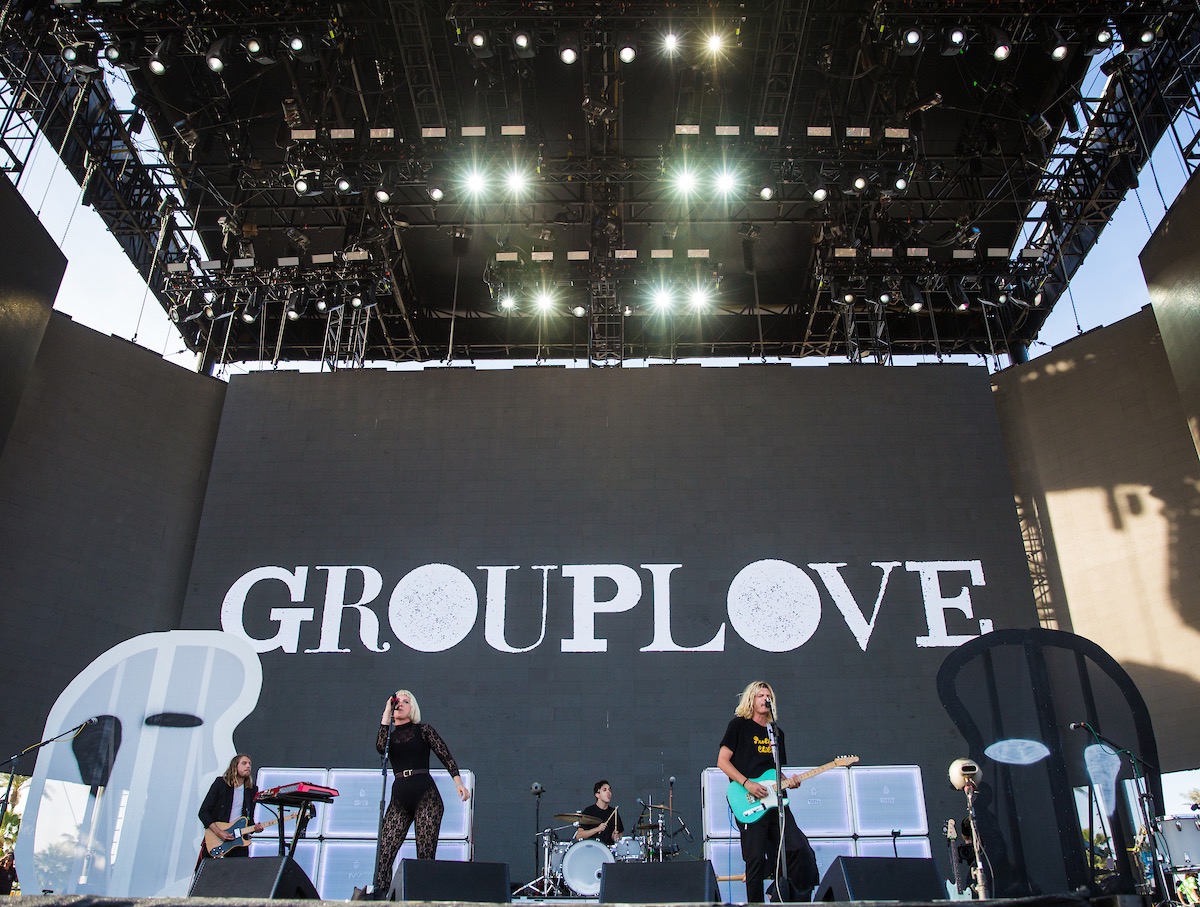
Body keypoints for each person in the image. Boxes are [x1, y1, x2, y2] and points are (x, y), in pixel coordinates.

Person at [717, 681, 819, 903]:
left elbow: (775, 771)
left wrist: (789, 781)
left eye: (768, 695)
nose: (765, 699)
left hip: (776, 801)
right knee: (755, 858)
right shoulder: (738, 726)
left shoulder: (776, 733)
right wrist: (747, 783)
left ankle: (784, 897)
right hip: (749, 799)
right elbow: (722, 761)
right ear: (751, 700)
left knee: (797, 848)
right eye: (760, 695)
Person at [373, 689, 470, 895]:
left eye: (405, 701)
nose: (400, 704)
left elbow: (445, 755)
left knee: (425, 856)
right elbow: (380, 747)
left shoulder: (423, 730)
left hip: (426, 796)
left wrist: (458, 782)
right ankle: (380, 899)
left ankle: (424, 899)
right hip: (400, 796)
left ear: (413, 708)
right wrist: (386, 712)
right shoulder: (390, 738)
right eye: (397, 701)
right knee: (384, 855)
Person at [197, 754, 263, 861]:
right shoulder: (221, 783)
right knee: (210, 870)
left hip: (239, 841)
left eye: (249, 764)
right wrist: (219, 832)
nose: (248, 766)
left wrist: (255, 828)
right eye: (244, 763)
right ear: (235, 766)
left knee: (238, 870)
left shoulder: (252, 790)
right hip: (217, 838)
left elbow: (249, 818)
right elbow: (204, 812)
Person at [574, 780, 624, 847]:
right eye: (604, 790)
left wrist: (617, 836)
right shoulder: (589, 811)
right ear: (597, 795)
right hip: (592, 849)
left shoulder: (614, 812)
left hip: (608, 850)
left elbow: (620, 833)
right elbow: (579, 835)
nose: (608, 792)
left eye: (609, 790)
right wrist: (597, 829)